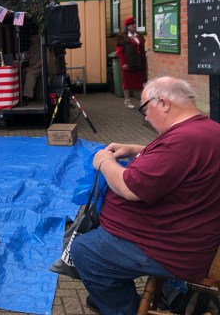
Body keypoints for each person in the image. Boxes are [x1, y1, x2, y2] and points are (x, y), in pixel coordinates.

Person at [71, 77, 220, 315]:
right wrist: (137, 150)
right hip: (179, 235)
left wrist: (105, 162)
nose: (146, 118)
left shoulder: (182, 141)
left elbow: (130, 189)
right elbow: (179, 161)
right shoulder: (206, 129)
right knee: (96, 247)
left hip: (170, 249)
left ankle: (124, 308)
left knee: (84, 250)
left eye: (145, 109)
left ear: (164, 103)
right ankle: (120, 297)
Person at [116, 17, 147, 109]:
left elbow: (142, 50)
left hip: (139, 63)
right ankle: (127, 100)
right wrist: (124, 63)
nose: (134, 25)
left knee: (140, 83)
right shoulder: (122, 37)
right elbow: (119, 52)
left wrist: (144, 61)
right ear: (127, 26)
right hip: (128, 64)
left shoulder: (138, 36)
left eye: (134, 24)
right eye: (132, 24)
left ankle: (143, 102)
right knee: (127, 83)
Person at [21, 33, 42, 104]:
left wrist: (33, 68)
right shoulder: (32, 46)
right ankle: (20, 94)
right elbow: (28, 55)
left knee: (30, 74)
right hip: (32, 66)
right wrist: (26, 55)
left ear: (37, 37)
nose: (31, 39)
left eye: (32, 37)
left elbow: (42, 60)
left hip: (40, 67)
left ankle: (28, 96)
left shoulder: (42, 46)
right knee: (21, 73)